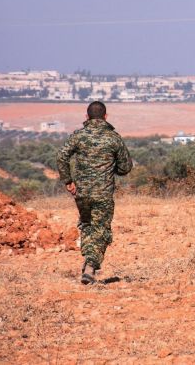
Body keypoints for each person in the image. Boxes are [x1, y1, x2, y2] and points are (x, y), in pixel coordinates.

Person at [56, 101, 133, 285]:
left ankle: (87, 262)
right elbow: (125, 167)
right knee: (102, 229)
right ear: (106, 117)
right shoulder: (114, 138)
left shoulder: (78, 136)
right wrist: (111, 168)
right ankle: (91, 266)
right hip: (103, 194)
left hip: (81, 193)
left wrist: (68, 181)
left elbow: (61, 156)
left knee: (87, 225)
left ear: (86, 116)